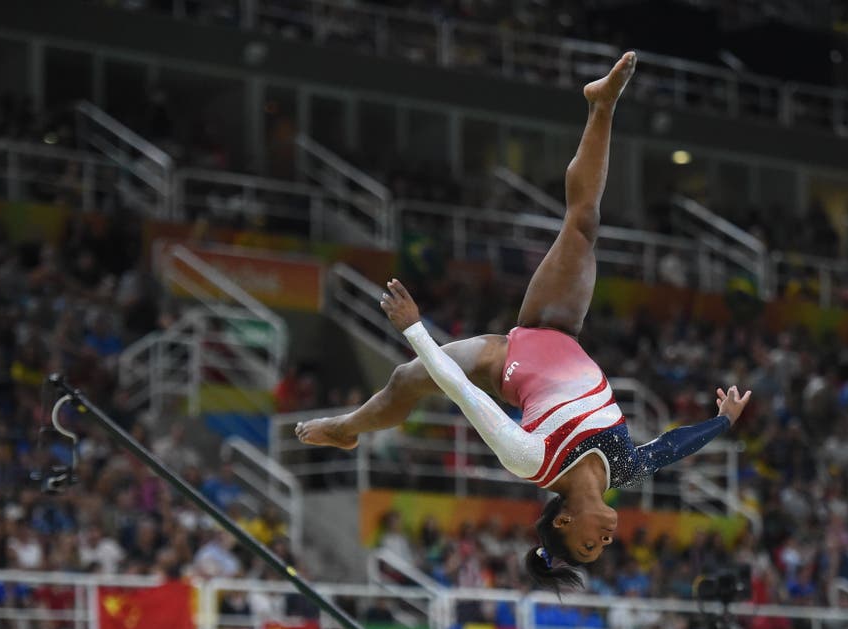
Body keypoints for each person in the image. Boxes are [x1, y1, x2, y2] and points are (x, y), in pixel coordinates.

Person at [296, 53, 751, 591]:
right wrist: (722, 422)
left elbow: (464, 393)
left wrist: (416, 329)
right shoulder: (624, 468)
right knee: (583, 223)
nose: (606, 538)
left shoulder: (529, 461)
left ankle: (347, 429)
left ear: (562, 521)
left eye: (589, 543)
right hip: (558, 331)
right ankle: (601, 105)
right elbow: (674, 446)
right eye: (604, 547)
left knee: (405, 378)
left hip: (500, 362)